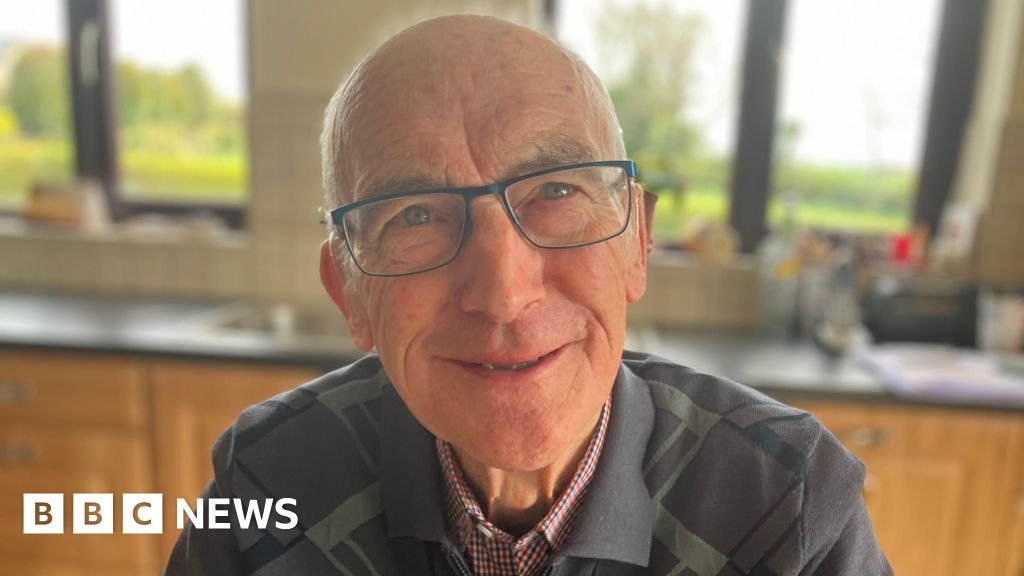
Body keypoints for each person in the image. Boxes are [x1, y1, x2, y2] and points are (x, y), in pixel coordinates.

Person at [165, 14, 891, 576]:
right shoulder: (268, 479)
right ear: (349, 293)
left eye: (556, 192)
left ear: (637, 242)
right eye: (414, 216)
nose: (504, 295)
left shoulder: (785, 506)